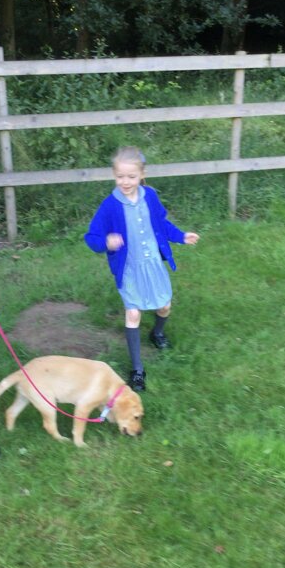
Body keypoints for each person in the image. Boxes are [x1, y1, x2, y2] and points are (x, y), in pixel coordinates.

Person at [84, 146, 199, 392]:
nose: (125, 182)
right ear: (114, 175)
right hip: (129, 268)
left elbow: (162, 224)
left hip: (153, 264)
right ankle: (137, 370)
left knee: (164, 306)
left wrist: (181, 236)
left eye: (131, 176)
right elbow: (91, 237)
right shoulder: (110, 206)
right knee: (133, 313)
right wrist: (106, 242)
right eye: (120, 176)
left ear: (142, 174)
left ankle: (157, 333)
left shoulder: (150, 197)